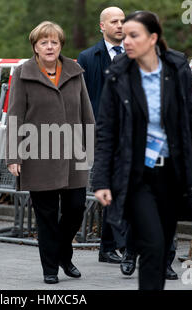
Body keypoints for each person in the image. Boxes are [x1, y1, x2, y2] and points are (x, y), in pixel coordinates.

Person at [92, 11, 192, 290]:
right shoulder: (118, 74)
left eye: (133, 35)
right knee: (152, 243)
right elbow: (107, 132)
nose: (125, 41)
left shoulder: (176, 68)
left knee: (161, 246)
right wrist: (101, 180)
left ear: (153, 39)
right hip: (136, 173)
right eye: (124, 35)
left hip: (172, 172)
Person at [6, 21, 95, 284]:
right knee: (45, 216)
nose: (49, 46)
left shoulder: (74, 71)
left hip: (73, 155)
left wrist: (90, 148)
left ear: (60, 45)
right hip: (38, 155)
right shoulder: (23, 73)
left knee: (76, 208)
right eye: (44, 42)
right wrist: (13, 155)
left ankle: (63, 254)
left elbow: (86, 112)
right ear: (34, 46)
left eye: (54, 42)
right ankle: (50, 269)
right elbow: (15, 116)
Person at [77, 6, 127, 265]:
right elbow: (80, 98)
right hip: (100, 135)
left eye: (123, 21)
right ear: (102, 26)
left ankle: (112, 246)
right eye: (114, 21)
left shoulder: (135, 54)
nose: (120, 25)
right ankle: (116, 245)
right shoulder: (87, 57)